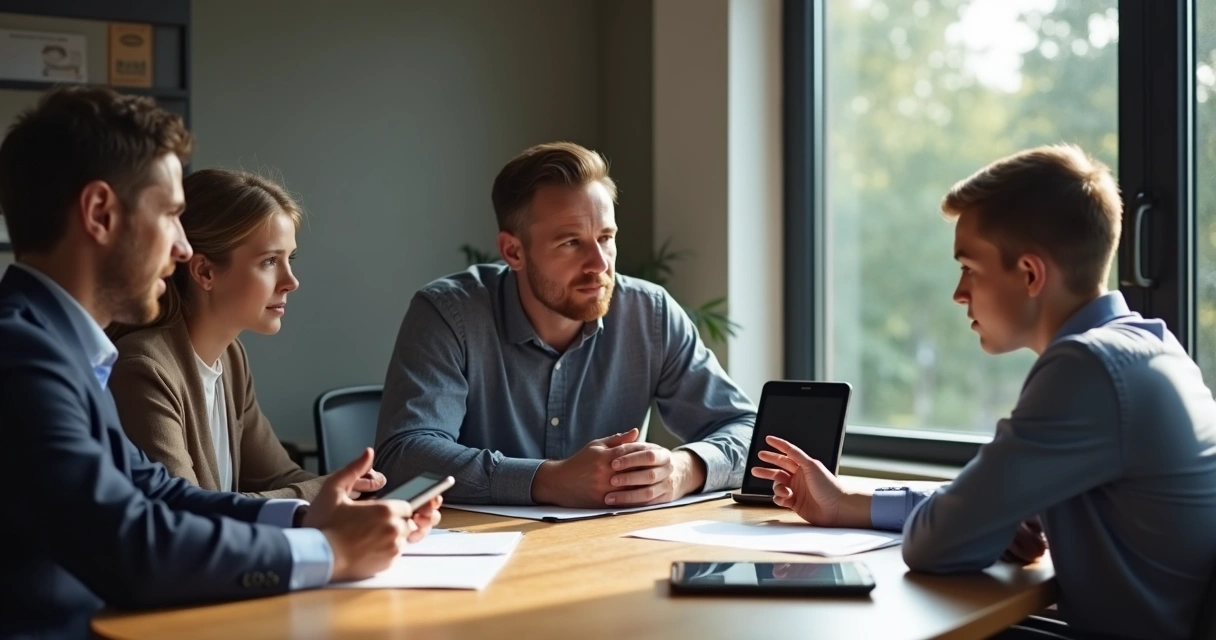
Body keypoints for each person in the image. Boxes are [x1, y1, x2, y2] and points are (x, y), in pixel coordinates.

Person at [0, 87, 439, 639]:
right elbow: (133, 546)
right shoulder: (22, 357)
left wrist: (307, 517)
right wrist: (328, 552)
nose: (184, 248)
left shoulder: (61, 349)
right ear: (100, 213)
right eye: (170, 214)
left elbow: (160, 495)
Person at [750, 144, 1216, 640]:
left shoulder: (1087, 369)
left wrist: (978, 522)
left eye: (969, 268)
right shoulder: (1147, 347)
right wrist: (845, 502)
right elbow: (970, 505)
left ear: (1031, 274)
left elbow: (935, 545)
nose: (959, 293)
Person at [375, 141, 756, 507]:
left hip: (607, 542)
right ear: (513, 251)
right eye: (571, 242)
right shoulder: (449, 314)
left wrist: (684, 469)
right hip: (475, 543)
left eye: (605, 237)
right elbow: (404, 457)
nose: (600, 264)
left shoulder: (650, 313)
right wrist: (549, 480)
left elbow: (747, 429)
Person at [107, 168, 384, 501]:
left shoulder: (231, 357)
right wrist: (325, 492)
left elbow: (278, 476)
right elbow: (186, 511)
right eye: (269, 261)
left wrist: (357, 494)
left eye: (289, 259)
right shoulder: (143, 369)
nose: (291, 281)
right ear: (205, 271)